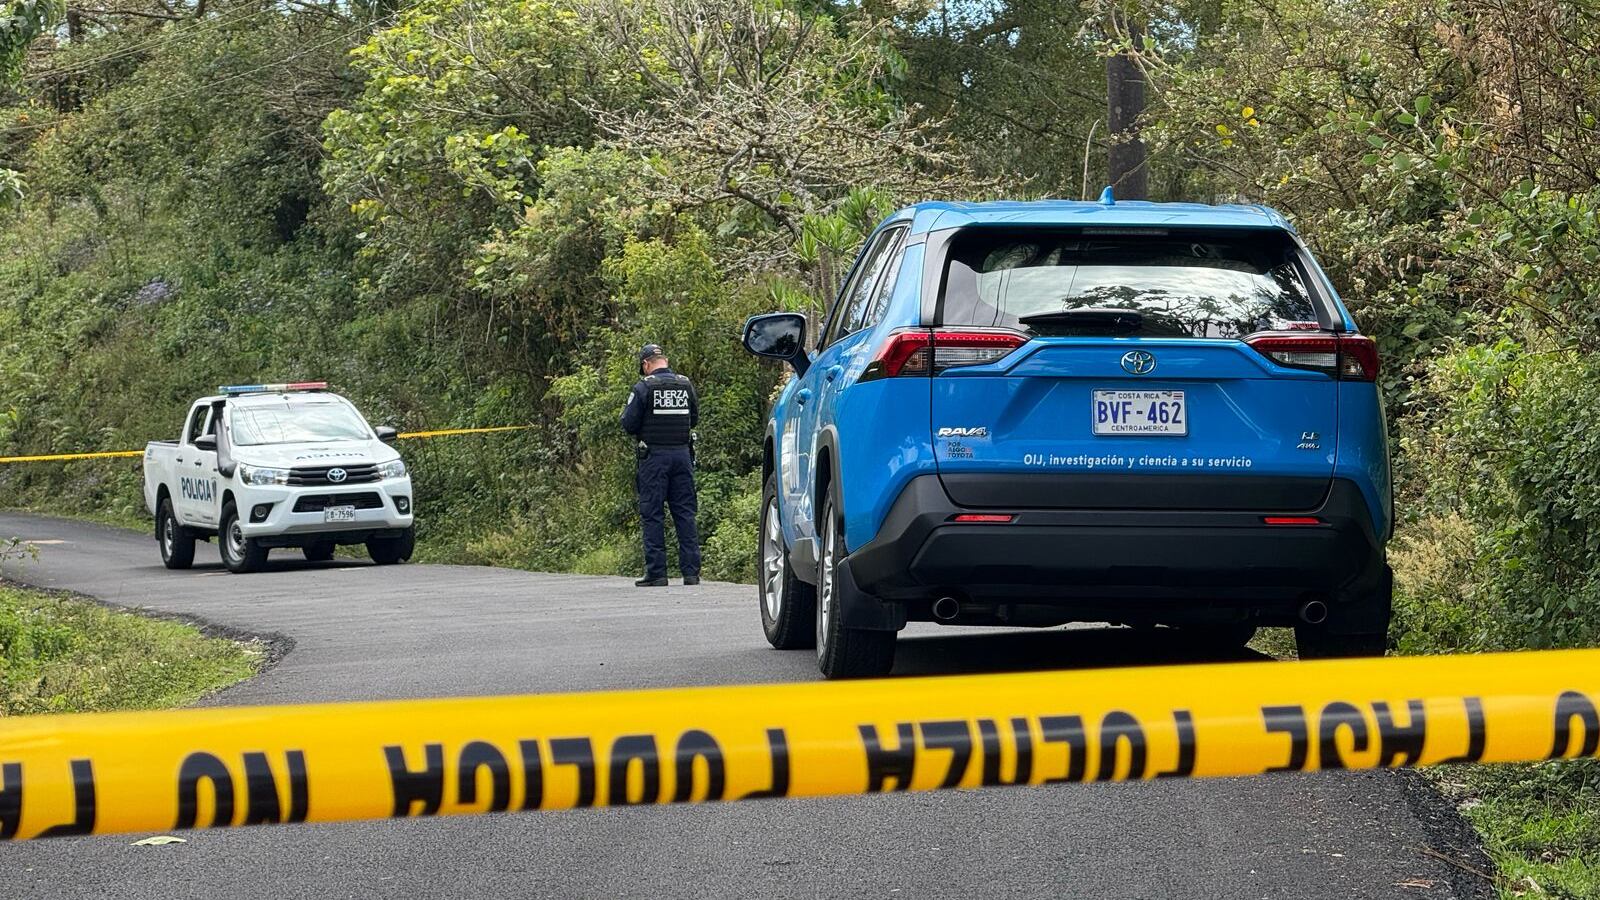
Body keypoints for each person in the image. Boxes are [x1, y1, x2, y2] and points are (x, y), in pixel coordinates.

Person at [621, 343, 702, 587]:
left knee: (652, 514)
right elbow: (694, 418)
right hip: (682, 456)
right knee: (685, 513)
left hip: (654, 458)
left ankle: (657, 573)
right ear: (664, 361)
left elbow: (628, 423)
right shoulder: (685, 385)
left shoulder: (643, 387)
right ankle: (691, 573)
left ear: (646, 364)